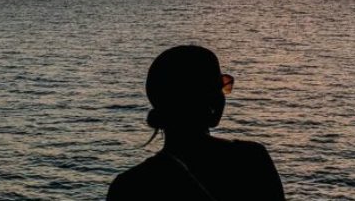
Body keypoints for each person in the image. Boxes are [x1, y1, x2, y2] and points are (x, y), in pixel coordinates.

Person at [108, 45, 285, 200]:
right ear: (210, 99)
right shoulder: (250, 160)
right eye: (221, 86)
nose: (223, 94)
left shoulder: (130, 185)